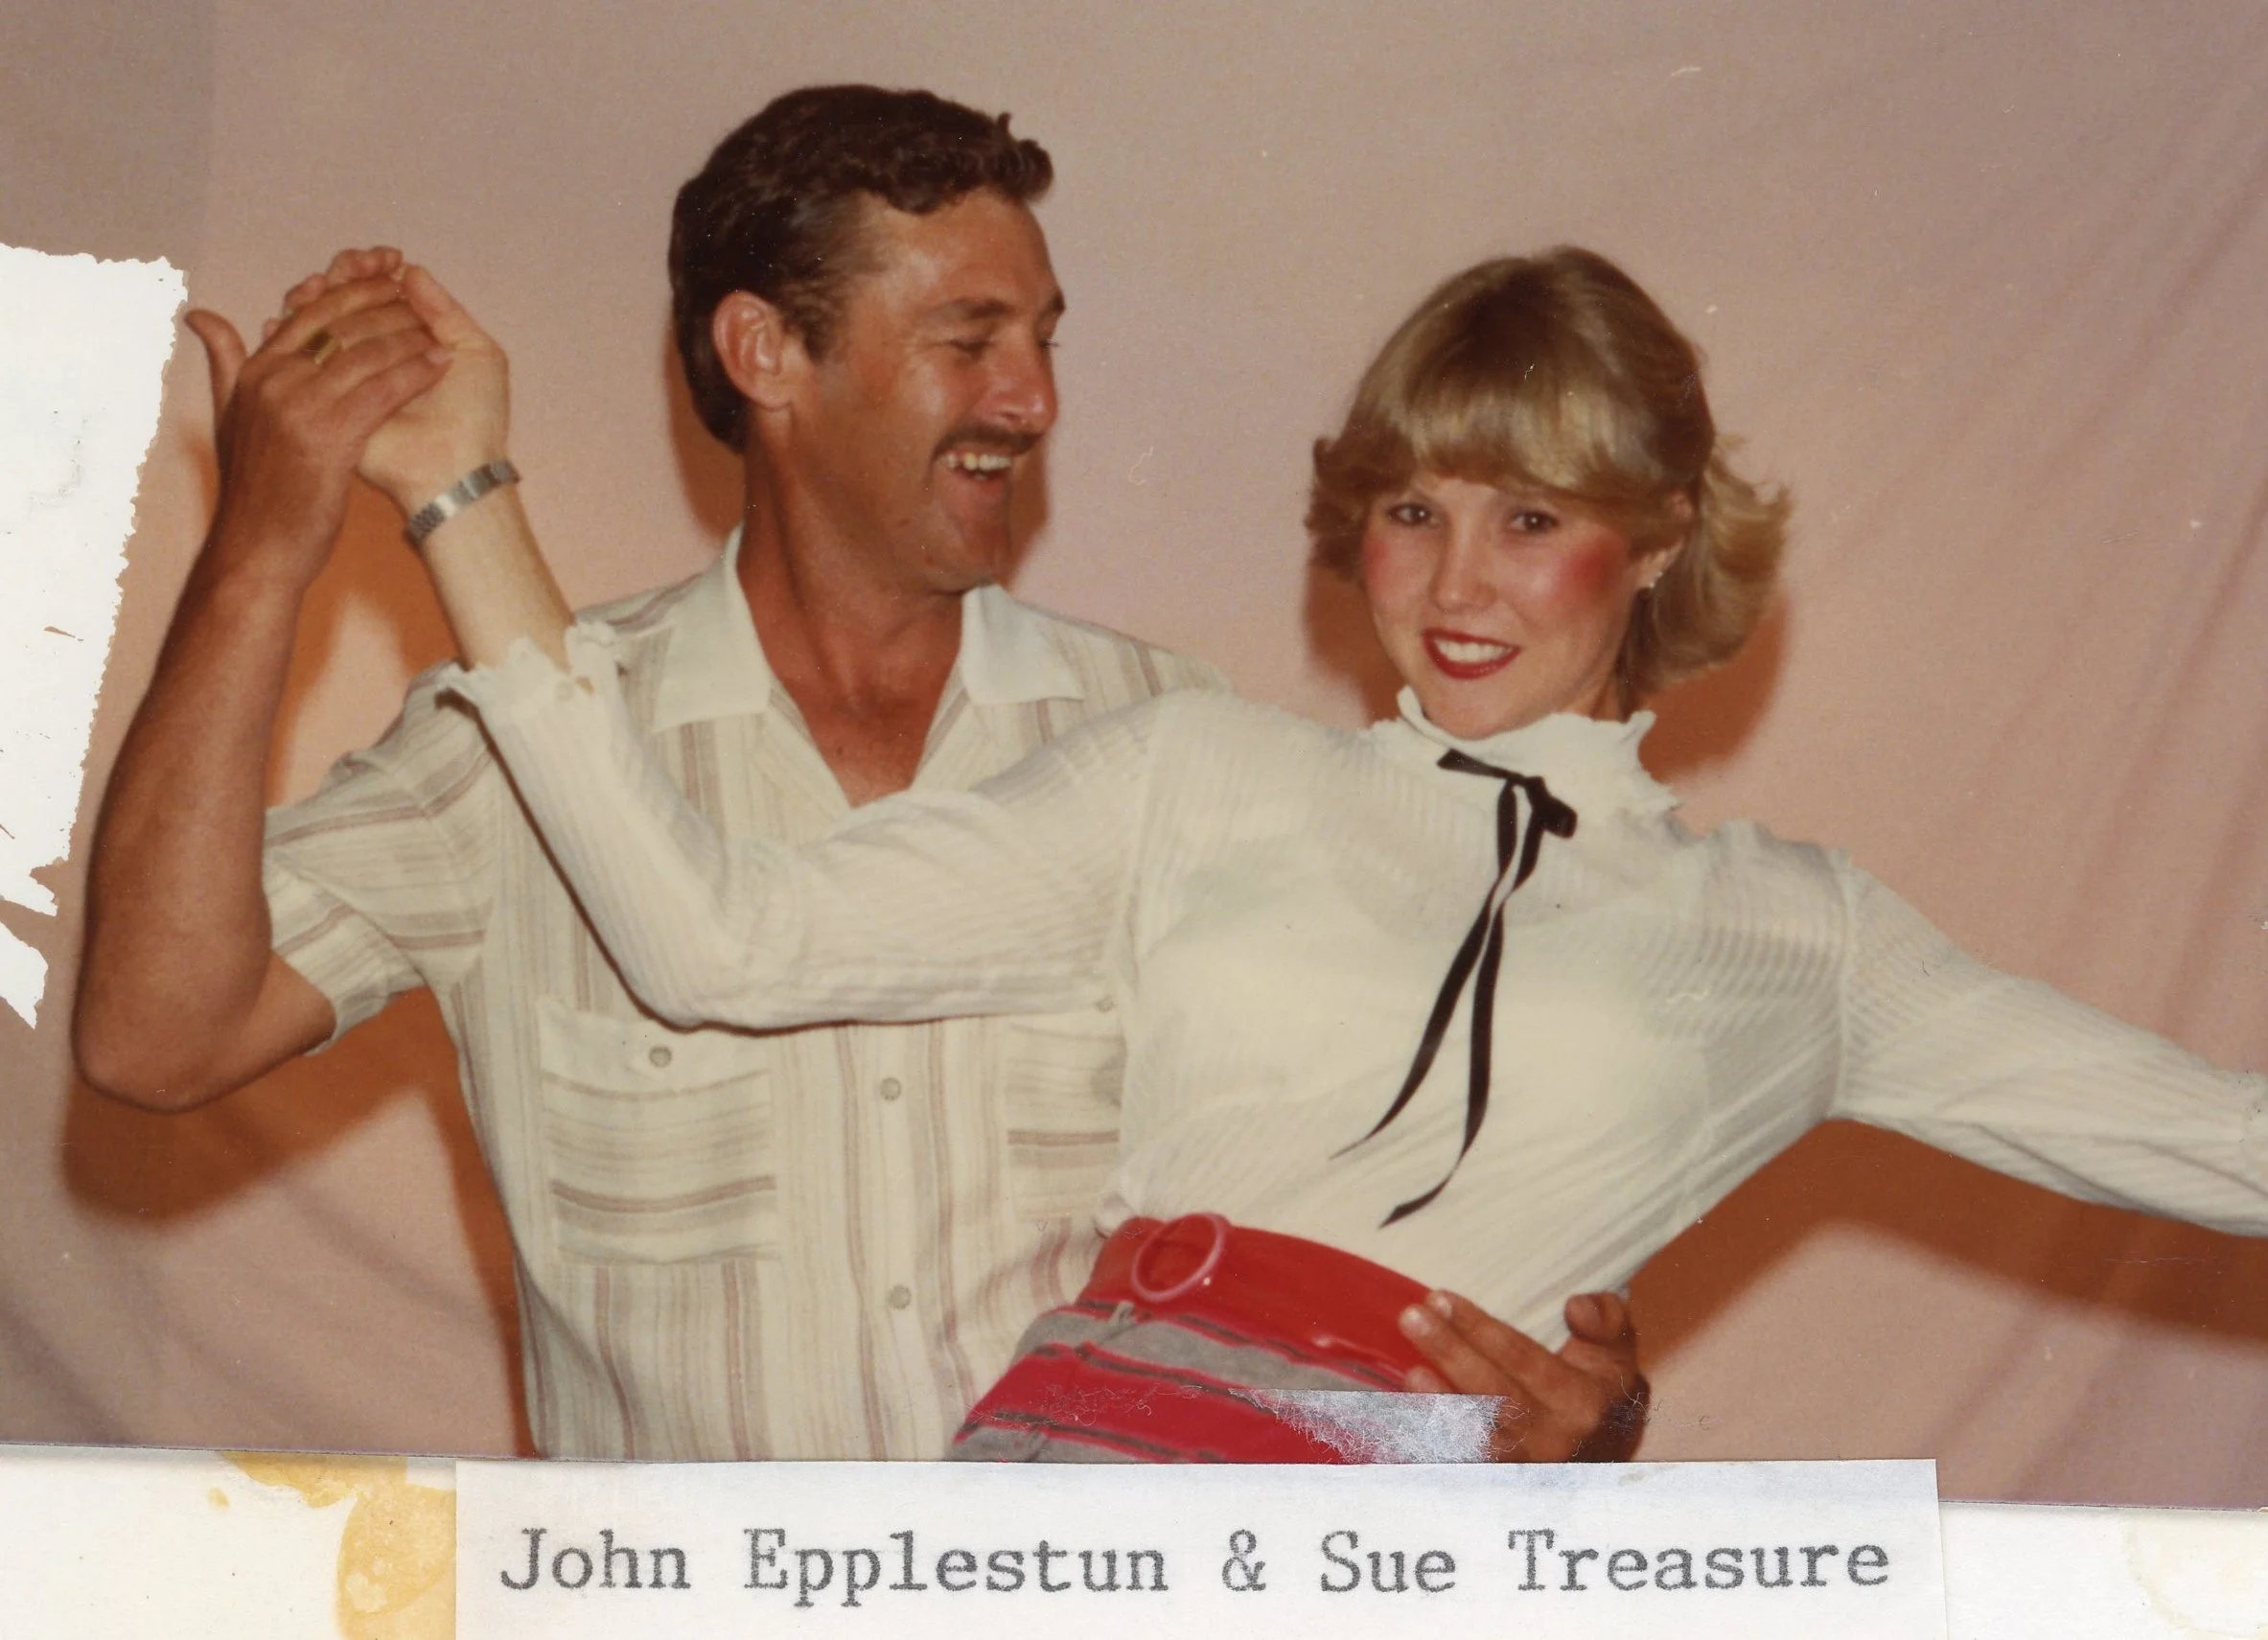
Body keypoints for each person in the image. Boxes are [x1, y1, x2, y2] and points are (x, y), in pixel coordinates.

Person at [369, 241, 2268, 1463]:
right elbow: (715, 944)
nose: (1453, 584)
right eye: (1409, 510)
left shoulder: (1796, 934)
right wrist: (462, 500)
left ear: (1659, 538)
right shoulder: (1193, 771)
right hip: (1069, 1503)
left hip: (1404, 1548)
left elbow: (2223, 1145)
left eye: (1530, 517)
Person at [71, 85, 1642, 1462]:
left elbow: (1350, 1280)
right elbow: (152, 1035)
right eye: (970, 340)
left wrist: (1542, 1419)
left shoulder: (1173, 739)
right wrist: (262, 545)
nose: (1033, 398)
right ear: (765, 351)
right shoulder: (505, 747)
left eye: (1041, 338)